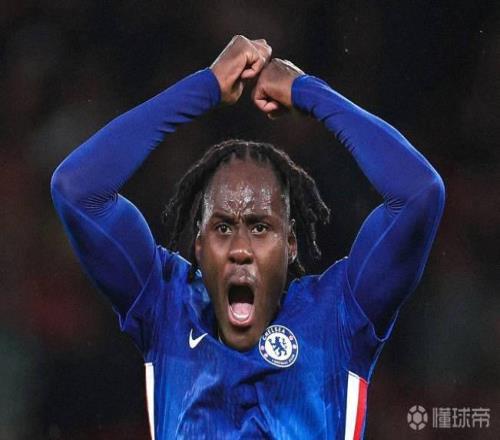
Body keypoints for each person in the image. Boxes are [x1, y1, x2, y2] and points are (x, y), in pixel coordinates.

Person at [51, 35, 445, 439]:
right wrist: (205, 86)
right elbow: (77, 190)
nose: (240, 249)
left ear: (290, 244)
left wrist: (309, 92)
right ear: (198, 246)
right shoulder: (167, 308)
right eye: (223, 227)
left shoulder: (339, 315)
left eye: (260, 227)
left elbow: (419, 194)